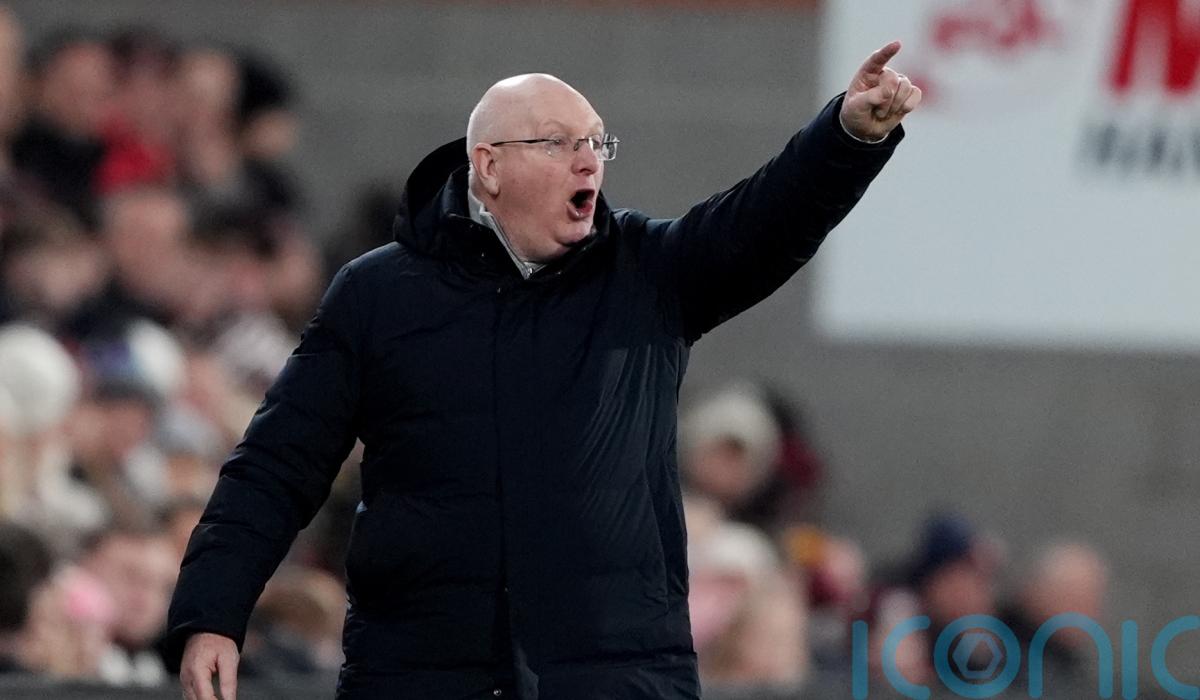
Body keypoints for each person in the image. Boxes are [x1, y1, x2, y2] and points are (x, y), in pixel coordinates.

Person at [169, 41, 921, 700]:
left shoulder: (646, 274)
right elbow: (276, 465)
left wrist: (846, 136)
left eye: (596, 142)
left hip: (614, 676)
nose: (588, 160)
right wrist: (212, 613)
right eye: (558, 143)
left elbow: (761, 223)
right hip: (423, 673)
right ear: (489, 167)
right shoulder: (378, 295)